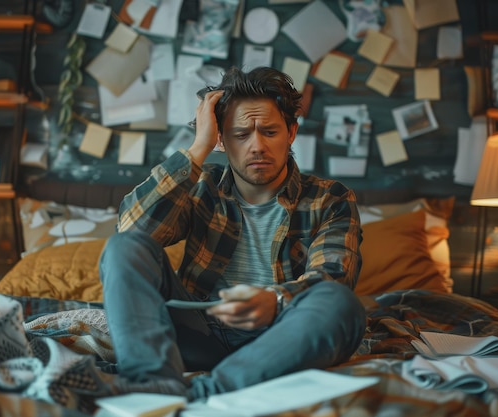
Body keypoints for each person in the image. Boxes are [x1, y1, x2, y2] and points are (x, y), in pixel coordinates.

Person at [99, 66, 366, 401]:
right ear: (222, 140)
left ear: (291, 133)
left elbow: (334, 276)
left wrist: (276, 301)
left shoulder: (331, 198)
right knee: (125, 247)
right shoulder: (201, 185)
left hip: (280, 338)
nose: (257, 147)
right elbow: (130, 230)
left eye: (269, 132)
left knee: (341, 304)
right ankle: (152, 383)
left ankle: (199, 393)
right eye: (241, 135)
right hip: (198, 331)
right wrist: (198, 148)